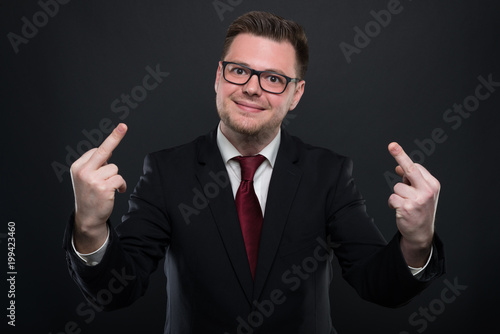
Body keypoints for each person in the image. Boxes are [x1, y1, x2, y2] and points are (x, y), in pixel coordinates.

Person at [63, 11, 445, 334]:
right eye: (239, 71)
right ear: (218, 76)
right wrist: (91, 227)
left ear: (296, 94)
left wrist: (416, 241)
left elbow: (376, 284)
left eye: (274, 78)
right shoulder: (166, 171)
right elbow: (117, 292)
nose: (251, 88)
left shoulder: (329, 173)